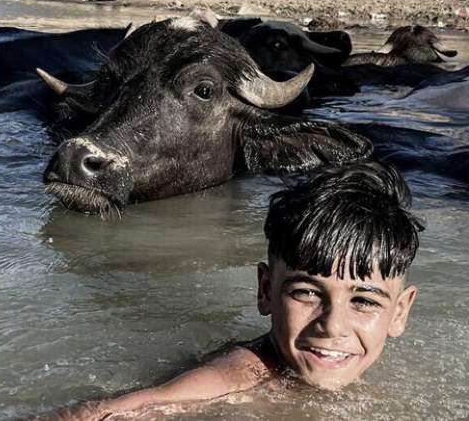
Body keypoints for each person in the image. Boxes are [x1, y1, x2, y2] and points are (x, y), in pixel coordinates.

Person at [39, 162, 424, 420]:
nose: (333, 326)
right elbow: (109, 412)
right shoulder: (236, 378)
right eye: (307, 293)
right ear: (265, 290)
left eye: (364, 300)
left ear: (400, 312)